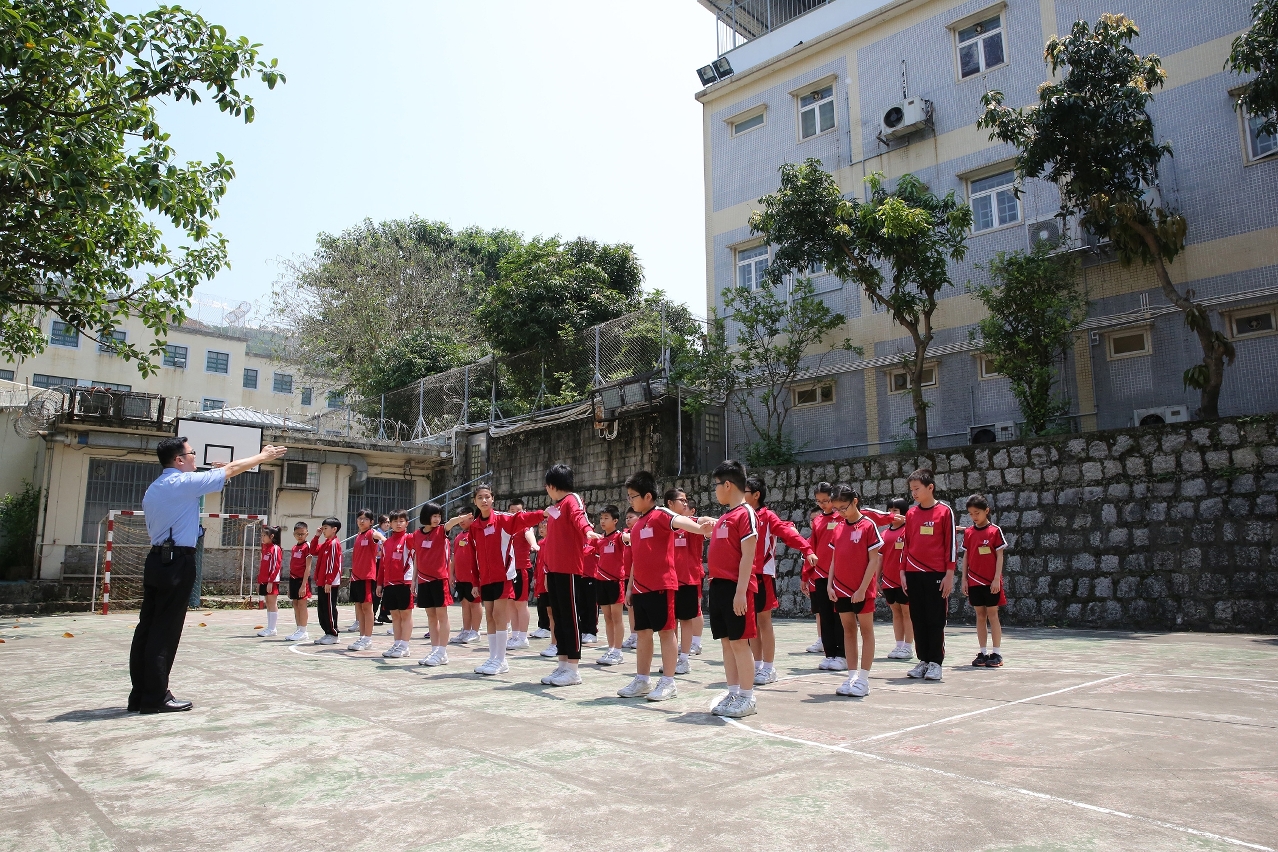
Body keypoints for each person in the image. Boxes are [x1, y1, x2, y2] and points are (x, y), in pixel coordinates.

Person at [128, 435, 286, 713]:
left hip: (157, 561)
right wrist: (263, 457)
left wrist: (225, 471)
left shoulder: (157, 486)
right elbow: (230, 471)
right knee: (165, 630)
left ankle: (140, 694)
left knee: (147, 628)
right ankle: (155, 697)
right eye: (190, 454)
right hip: (175, 562)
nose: (194, 458)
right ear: (178, 460)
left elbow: (225, 473)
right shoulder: (181, 483)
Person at [616, 470, 710, 702]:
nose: (630, 501)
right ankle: (642, 680)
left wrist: (701, 525)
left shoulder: (660, 514)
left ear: (648, 496)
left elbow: (681, 521)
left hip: (661, 586)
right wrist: (629, 588)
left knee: (667, 633)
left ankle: (668, 682)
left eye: (633, 496)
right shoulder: (637, 526)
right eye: (628, 496)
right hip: (640, 589)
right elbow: (637, 560)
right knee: (643, 634)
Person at [446, 485, 542, 676]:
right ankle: (493, 658)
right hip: (485, 580)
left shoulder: (503, 519)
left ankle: (501, 660)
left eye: (487, 497)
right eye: (480, 497)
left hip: (504, 577)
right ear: (474, 501)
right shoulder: (474, 527)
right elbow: (473, 557)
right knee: (489, 616)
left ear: (493, 499)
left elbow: (523, 519)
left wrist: (544, 513)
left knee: (499, 616)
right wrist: (475, 581)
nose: (484, 500)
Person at [742, 476, 817, 685]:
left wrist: (807, 549)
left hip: (763, 575)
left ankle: (768, 667)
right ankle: (756, 666)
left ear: (756, 495)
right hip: (745, 576)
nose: (741, 494)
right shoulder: (741, 515)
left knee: (764, 621)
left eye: (745, 491)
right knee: (752, 624)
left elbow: (788, 533)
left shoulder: (767, 516)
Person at [703, 461, 760, 718]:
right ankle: (733, 691)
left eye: (716, 485)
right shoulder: (725, 517)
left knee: (739, 643)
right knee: (726, 643)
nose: (714, 490)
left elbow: (748, 556)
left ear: (727, 484)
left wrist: (740, 592)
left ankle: (747, 697)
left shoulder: (745, 514)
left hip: (736, 588)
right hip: (718, 587)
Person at [537, 464, 598, 687]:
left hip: (568, 569)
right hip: (553, 570)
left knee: (570, 618)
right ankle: (562, 665)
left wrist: (587, 530)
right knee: (560, 619)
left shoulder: (572, 499)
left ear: (552, 485)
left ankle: (573, 668)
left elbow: (580, 517)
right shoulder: (556, 506)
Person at [827, 486, 883, 698]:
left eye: (844, 507)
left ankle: (864, 679)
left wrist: (862, 589)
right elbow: (834, 559)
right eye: (837, 509)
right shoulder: (839, 527)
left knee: (866, 631)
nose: (841, 512)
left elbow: (874, 561)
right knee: (848, 631)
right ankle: (851, 676)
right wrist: (829, 584)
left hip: (861, 590)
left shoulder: (868, 525)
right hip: (840, 589)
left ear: (855, 501)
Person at [902, 469, 956, 682]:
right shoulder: (911, 514)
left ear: (930, 487)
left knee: (935, 618)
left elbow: (951, 545)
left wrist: (949, 574)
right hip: (913, 573)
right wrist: (903, 572)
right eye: (911, 489)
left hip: (936, 573)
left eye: (917, 488)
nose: (914, 493)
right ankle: (923, 660)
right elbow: (906, 545)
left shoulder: (944, 511)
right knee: (917, 618)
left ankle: (936, 662)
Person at [862, 497, 913, 660]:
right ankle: (899, 645)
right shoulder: (883, 534)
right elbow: (879, 559)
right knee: (896, 612)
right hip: (889, 581)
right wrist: (876, 579)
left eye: (895, 511)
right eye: (889, 510)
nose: (892, 514)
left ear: (903, 513)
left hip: (905, 580)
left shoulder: (909, 530)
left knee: (907, 612)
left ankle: (908, 646)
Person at [960, 494, 1007, 668]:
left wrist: (996, 579)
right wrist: (964, 579)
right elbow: (966, 556)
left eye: (977, 513)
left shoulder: (995, 531)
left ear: (986, 511)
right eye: (971, 513)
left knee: (993, 615)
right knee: (980, 615)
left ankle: (997, 653)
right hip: (973, 581)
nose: (974, 517)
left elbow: (1000, 556)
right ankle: (983, 652)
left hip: (990, 581)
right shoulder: (969, 532)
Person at [667, 488, 704, 674]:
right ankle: (671, 658)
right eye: (681, 500)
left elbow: (702, 521)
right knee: (670, 622)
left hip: (689, 580)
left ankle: (684, 658)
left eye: (686, 500)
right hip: (669, 581)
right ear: (670, 504)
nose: (685, 503)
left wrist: (711, 521)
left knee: (686, 620)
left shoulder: (692, 524)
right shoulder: (665, 524)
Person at [411, 502, 452, 666]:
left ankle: (442, 651)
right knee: (431, 616)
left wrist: (461, 518)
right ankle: (435, 650)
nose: (437, 519)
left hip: (439, 580)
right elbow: (417, 558)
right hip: (423, 580)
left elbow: (450, 523)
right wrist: (413, 580)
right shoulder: (416, 534)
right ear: (426, 517)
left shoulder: (442, 531)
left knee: (442, 616)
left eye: (439, 516)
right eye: (433, 516)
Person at [807, 483, 840, 663]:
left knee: (839, 617)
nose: (823, 505)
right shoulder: (818, 521)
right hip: (820, 575)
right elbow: (812, 548)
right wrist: (806, 574)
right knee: (825, 616)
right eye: (819, 501)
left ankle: (841, 654)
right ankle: (830, 655)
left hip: (839, 576)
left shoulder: (842, 517)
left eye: (826, 500)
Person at [590, 505, 626, 665]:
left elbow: (629, 539)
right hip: (600, 581)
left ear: (615, 520)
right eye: (601, 518)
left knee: (617, 617)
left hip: (615, 582)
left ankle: (618, 651)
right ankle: (611, 649)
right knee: (607, 617)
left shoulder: (619, 537)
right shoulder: (600, 540)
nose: (602, 521)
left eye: (606, 518)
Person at [377, 509, 414, 658]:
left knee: (405, 615)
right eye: (395, 521)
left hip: (405, 582)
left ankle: (405, 646)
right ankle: (397, 643)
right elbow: (383, 565)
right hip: (389, 583)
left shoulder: (409, 539)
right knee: (395, 615)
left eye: (401, 521)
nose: (398, 524)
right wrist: (380, 583)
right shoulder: (386, 543)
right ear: (389, 523)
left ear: (407, 523)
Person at [346, 509, 385, 651]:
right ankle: (362, 637)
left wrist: (385, 543)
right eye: (359, 518)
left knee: (367, 608)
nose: (362, 521)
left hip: (367, 576)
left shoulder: (371, 534)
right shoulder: (359, 536)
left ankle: (367, 638)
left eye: (365, 519)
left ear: (371, 522)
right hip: (356, 576)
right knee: (359, 607)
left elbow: (381, 538)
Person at [448, 512, 482, 644]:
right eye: (459, 518)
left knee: (475, 603)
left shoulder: (477, 534)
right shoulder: (459, 536)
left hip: (473, 577)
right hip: (460, 578)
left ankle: (475, 631)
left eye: (465, 518)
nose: (461, 521)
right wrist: (451, 574)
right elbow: (454, 557)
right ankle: (466, 630)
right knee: (464, 604)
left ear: (472, 518)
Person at [507, 499, 537, 650]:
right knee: (511, 605)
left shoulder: (525, 526)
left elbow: (529, 535)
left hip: (522, 569)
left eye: (517, 511)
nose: (514, 514)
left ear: (523, 512)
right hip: (509, 571)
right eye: (512, 511)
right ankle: (515, 635)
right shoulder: (507, 528)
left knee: (521, 604)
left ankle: (523, 638)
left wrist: (534, 544)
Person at [310, 518, 343, 645]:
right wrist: (316, 536)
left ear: (334, 529)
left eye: (326, 528)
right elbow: (313, 551)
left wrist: (329, 581)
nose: (323, 530)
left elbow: (333, 564)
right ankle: (327, 632)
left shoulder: (334, 543)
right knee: (322, 608)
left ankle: (333, 633)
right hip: (322, 581)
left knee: (329, 608)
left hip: (330, 582)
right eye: (322, 528)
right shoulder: (326, 543)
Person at [285, 522, 313, 642]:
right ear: (294, 534)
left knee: (302, 605)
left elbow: (308, 567)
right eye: (297, 534)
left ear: (307, 533)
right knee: (295, 604)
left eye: (302, 534)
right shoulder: (294, 548)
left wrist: (303, 585)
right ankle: (298, 629)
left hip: (303, 580)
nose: (300, 536)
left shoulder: (307, 546)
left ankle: (303, 631)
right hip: (293, 579)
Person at [255, 525, 284, 637]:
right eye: (261, 535)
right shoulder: (265, 548)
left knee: (272, 603)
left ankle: (272, 629)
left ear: (271, 536)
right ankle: (270, 627)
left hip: (271, 581)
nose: (262, 537)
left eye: (264, 535)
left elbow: (276, 566)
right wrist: (260, 581)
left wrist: (271, 581)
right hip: (264, 580)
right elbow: (263, 566)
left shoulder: (275, 548)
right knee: (268, 603)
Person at [620, 507, 640, 651]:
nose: (628, 520)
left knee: (638, 608)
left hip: (639, 576)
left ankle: (641, 635)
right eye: (626, 518)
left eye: (631, 517)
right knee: (630, 607)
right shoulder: (625, 533)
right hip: (626, 575)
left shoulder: (640, 532)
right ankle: (633, 634)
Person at [530, 518, 552, 640]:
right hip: (539, 578)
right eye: (540, 527)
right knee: (541, 603)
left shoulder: (551, 543)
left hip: (546, 578)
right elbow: (538, 563)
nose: (542, 529)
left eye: (544, 527)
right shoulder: (540, 543)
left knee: (547, 604)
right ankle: (542, 625)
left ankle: (547, 627)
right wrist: (535, 577)